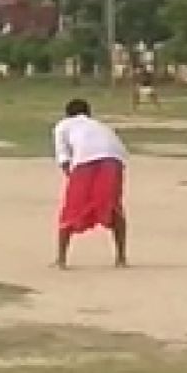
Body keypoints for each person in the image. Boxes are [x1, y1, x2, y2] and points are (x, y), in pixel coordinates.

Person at [52, 99, 129, 270]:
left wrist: (72, 179)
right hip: (113, 161)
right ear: (88, 113)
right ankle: (121, 257)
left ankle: (61, 259)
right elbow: (121, 151)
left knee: (71, 208)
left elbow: (63, 155)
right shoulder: (101, 125)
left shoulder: (63, 125)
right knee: (113, 206)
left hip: (86, 161)